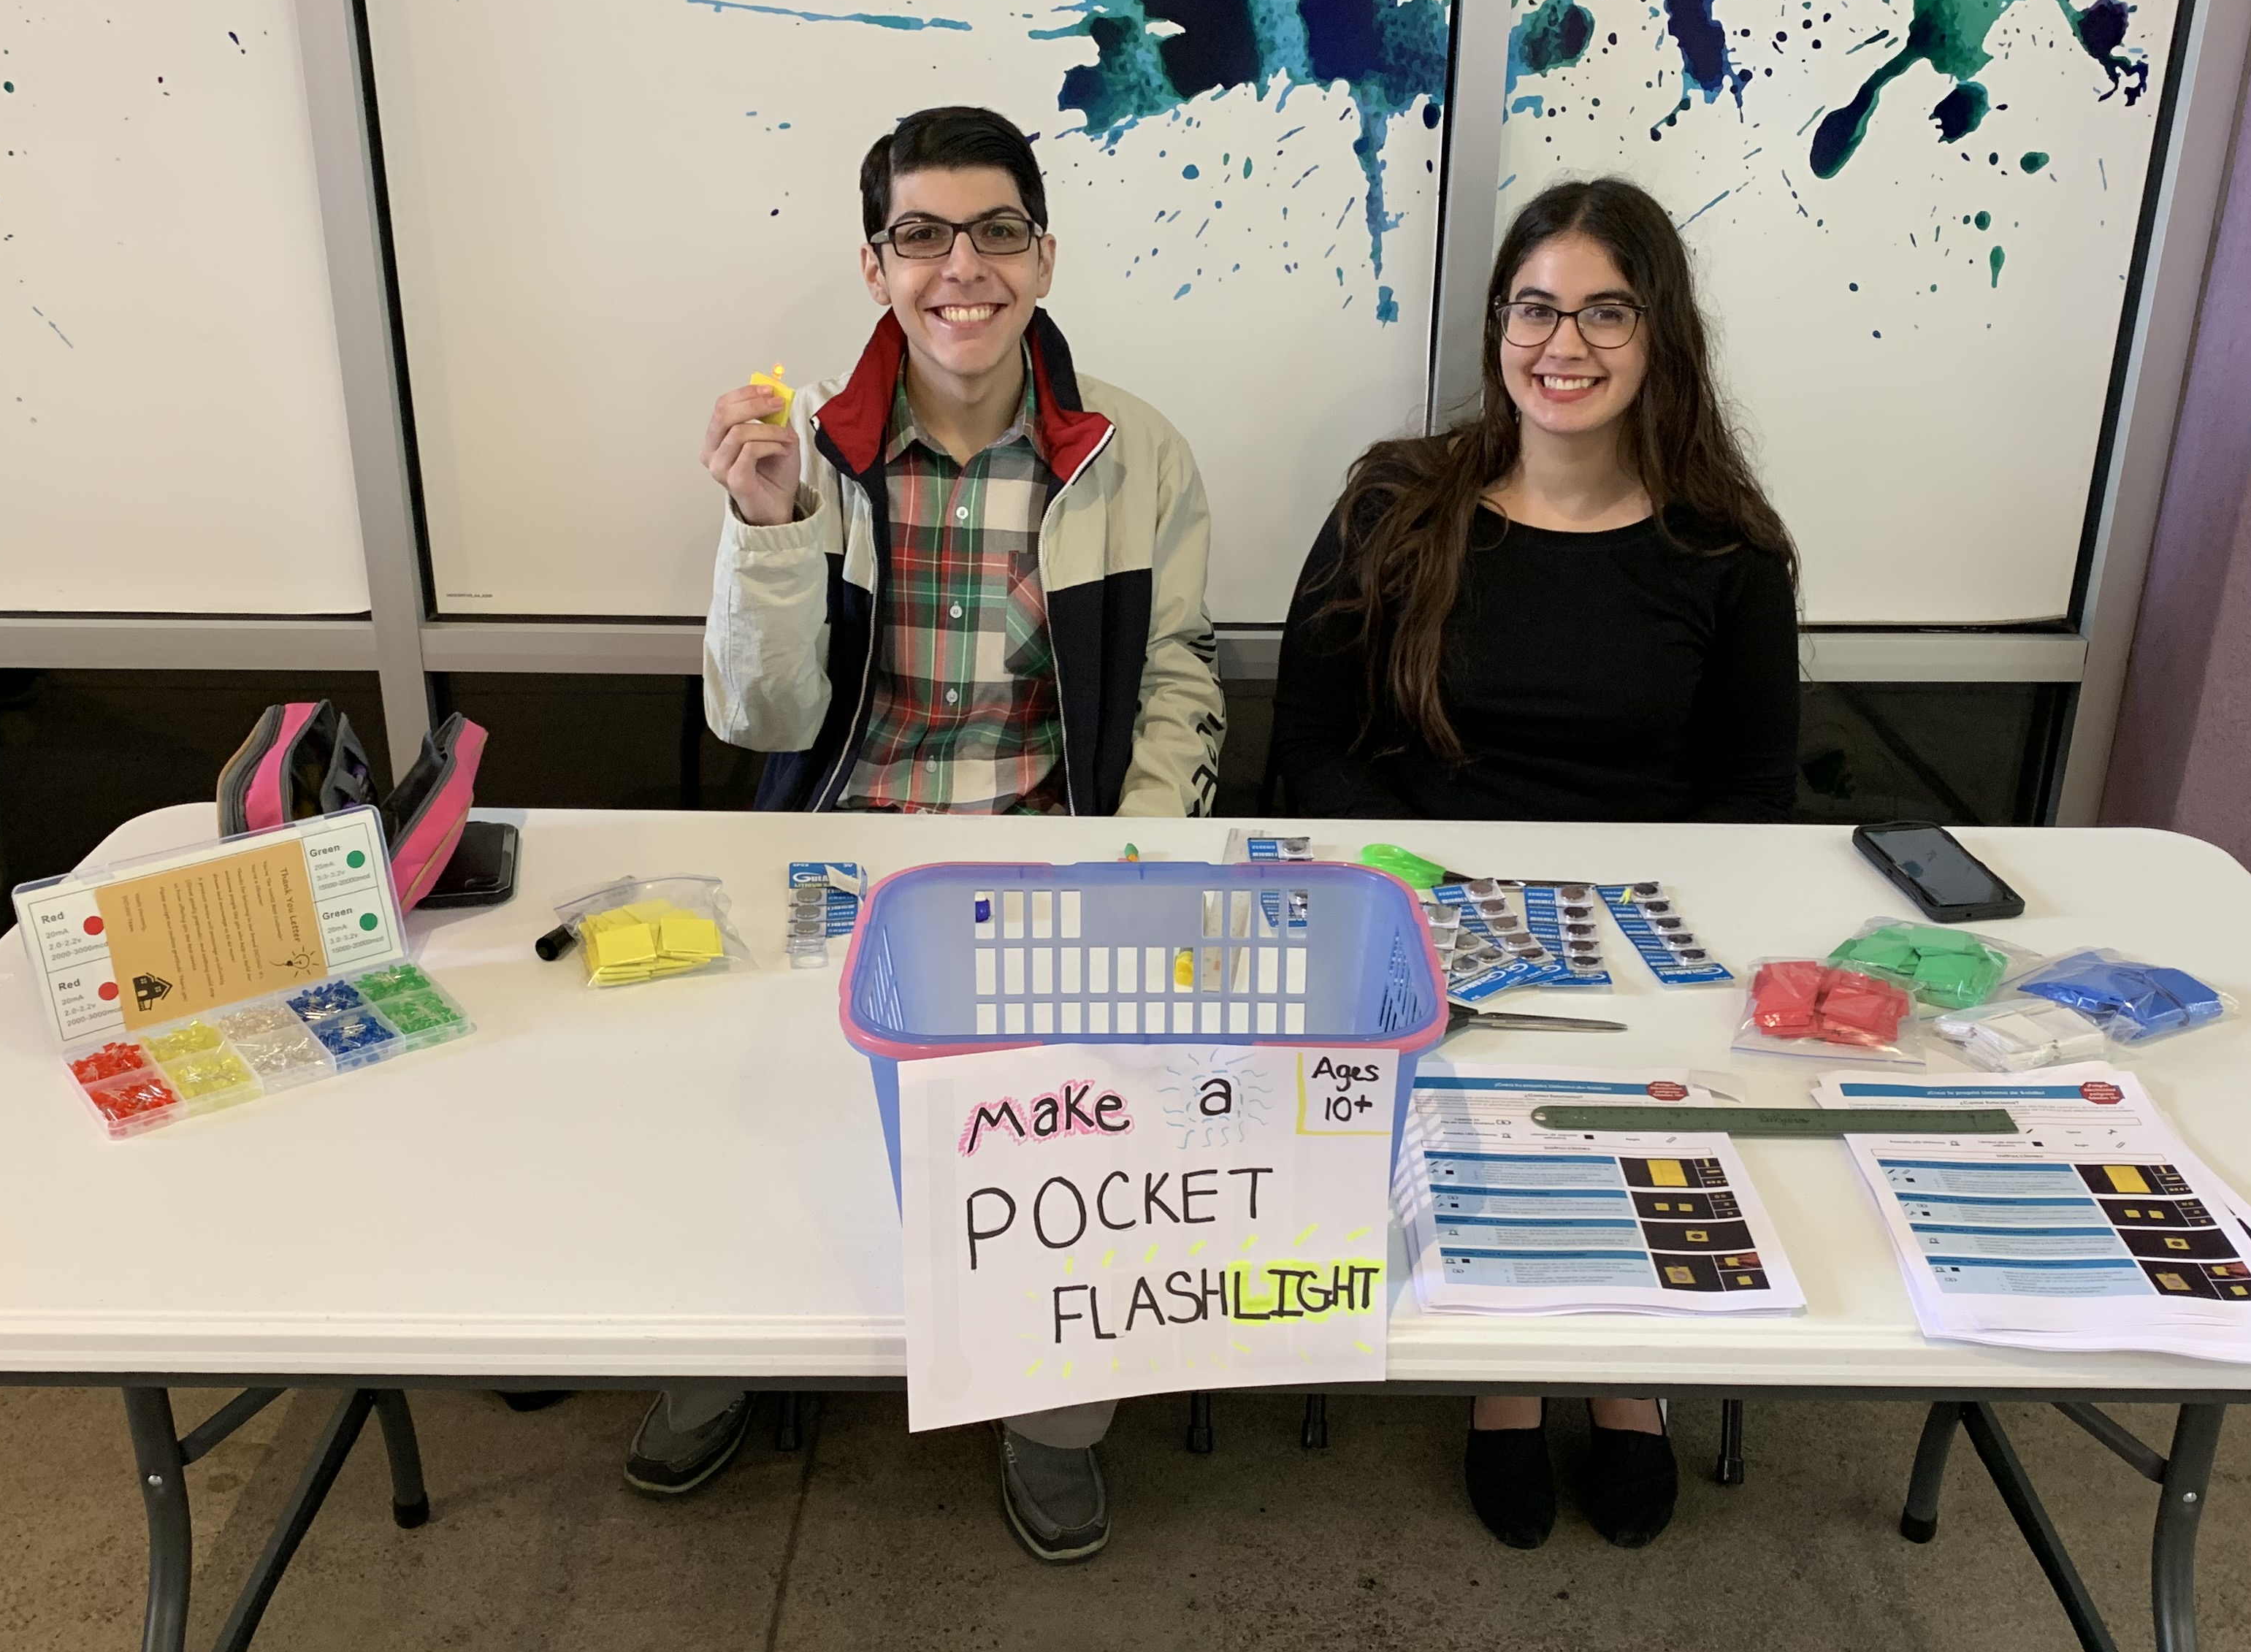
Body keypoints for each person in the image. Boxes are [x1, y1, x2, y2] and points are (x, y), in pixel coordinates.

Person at [629, 104, 1226, 1565]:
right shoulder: (810, 450)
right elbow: (761, 723)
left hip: (1045, 850)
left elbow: (1176, 675)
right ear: (875, 263)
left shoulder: (1132, 454)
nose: (962, 266)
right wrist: (770, 527)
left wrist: (1126, 865)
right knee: (754, 1106)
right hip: (842, 849)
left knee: (1072, 1122)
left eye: (996, 231)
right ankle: (724, 1354)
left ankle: (1056, 1416)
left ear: (1044, 254)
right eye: (922, 235)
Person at [1274, 175, 1800, 1552]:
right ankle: (1504, 1377)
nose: (1564, 346)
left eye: (1606, 313)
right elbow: (1312, 745)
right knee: (1482, 1083)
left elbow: (1754, 794)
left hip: (1643, 934)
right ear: (1501, 325)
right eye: (1536, 309)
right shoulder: (1398, 502)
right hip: (1428, 919)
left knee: (1625, 1071)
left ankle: (1630, 1379)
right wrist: (1421, 896)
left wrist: (1633, 931)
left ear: (1659, 336)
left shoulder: (1728, 556)